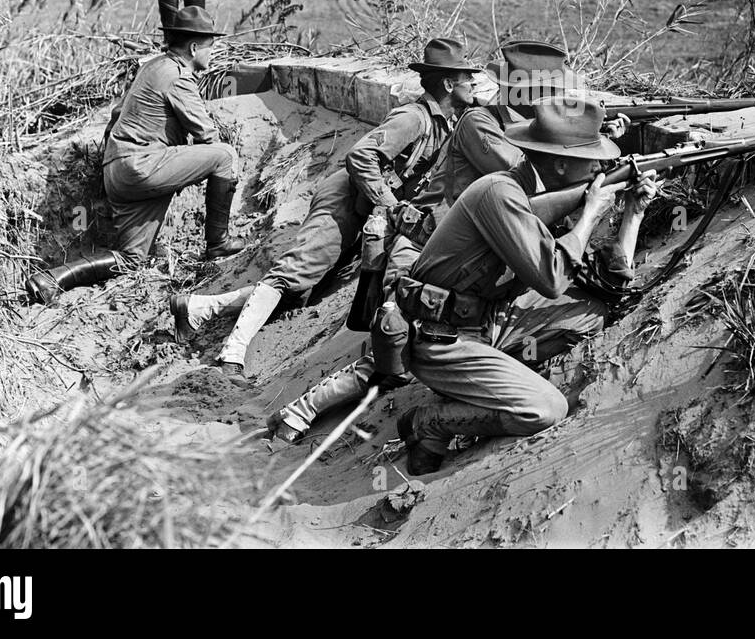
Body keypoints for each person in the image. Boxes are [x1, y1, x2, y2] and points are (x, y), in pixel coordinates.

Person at [265, 43, 630, 442]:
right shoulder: (482, 123)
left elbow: (540, 192)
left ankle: (473, 386)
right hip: (420, 246)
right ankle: (304, 410)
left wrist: (591, 146)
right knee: (393, 354)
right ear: (526, 94)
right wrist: (589, 185)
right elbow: (524, 184)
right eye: (551, 94)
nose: (558, 101)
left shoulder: (532, 139)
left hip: (475, 266)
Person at [168, 37, 482, 379]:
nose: (474, 84)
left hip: (365, 207)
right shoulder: (413, 117)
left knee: (304, 291)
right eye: (468, 78)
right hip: (345, 198)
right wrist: (391, 205)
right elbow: (361, 156)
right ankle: (231, 355)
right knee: (294, 272)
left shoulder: (446, 122)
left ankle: (198, 308)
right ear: (449, 84)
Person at [394, 94, 658, 474]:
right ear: (563, 164)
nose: (601, 166)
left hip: (486, 322)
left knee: (592, 312)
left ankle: (493, 381)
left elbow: (606, 286)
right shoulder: (499, 193)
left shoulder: (533, 194)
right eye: (592, 159)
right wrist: (590, 214)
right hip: (441, 338)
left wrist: (633, 213)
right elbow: (552, 279)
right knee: (546, 409)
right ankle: (430, 421)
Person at [24, 7, 241, 304]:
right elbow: (207, 136)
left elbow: (116, 114)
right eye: (210, 46)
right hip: (141, 166)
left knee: (132, 260)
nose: (212, 53)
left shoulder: (151, 67)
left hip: (118, 172)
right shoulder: (178, 76)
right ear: (193, 47)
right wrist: (216, 172)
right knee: (225, 155)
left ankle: (51, 279)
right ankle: (219, 244)